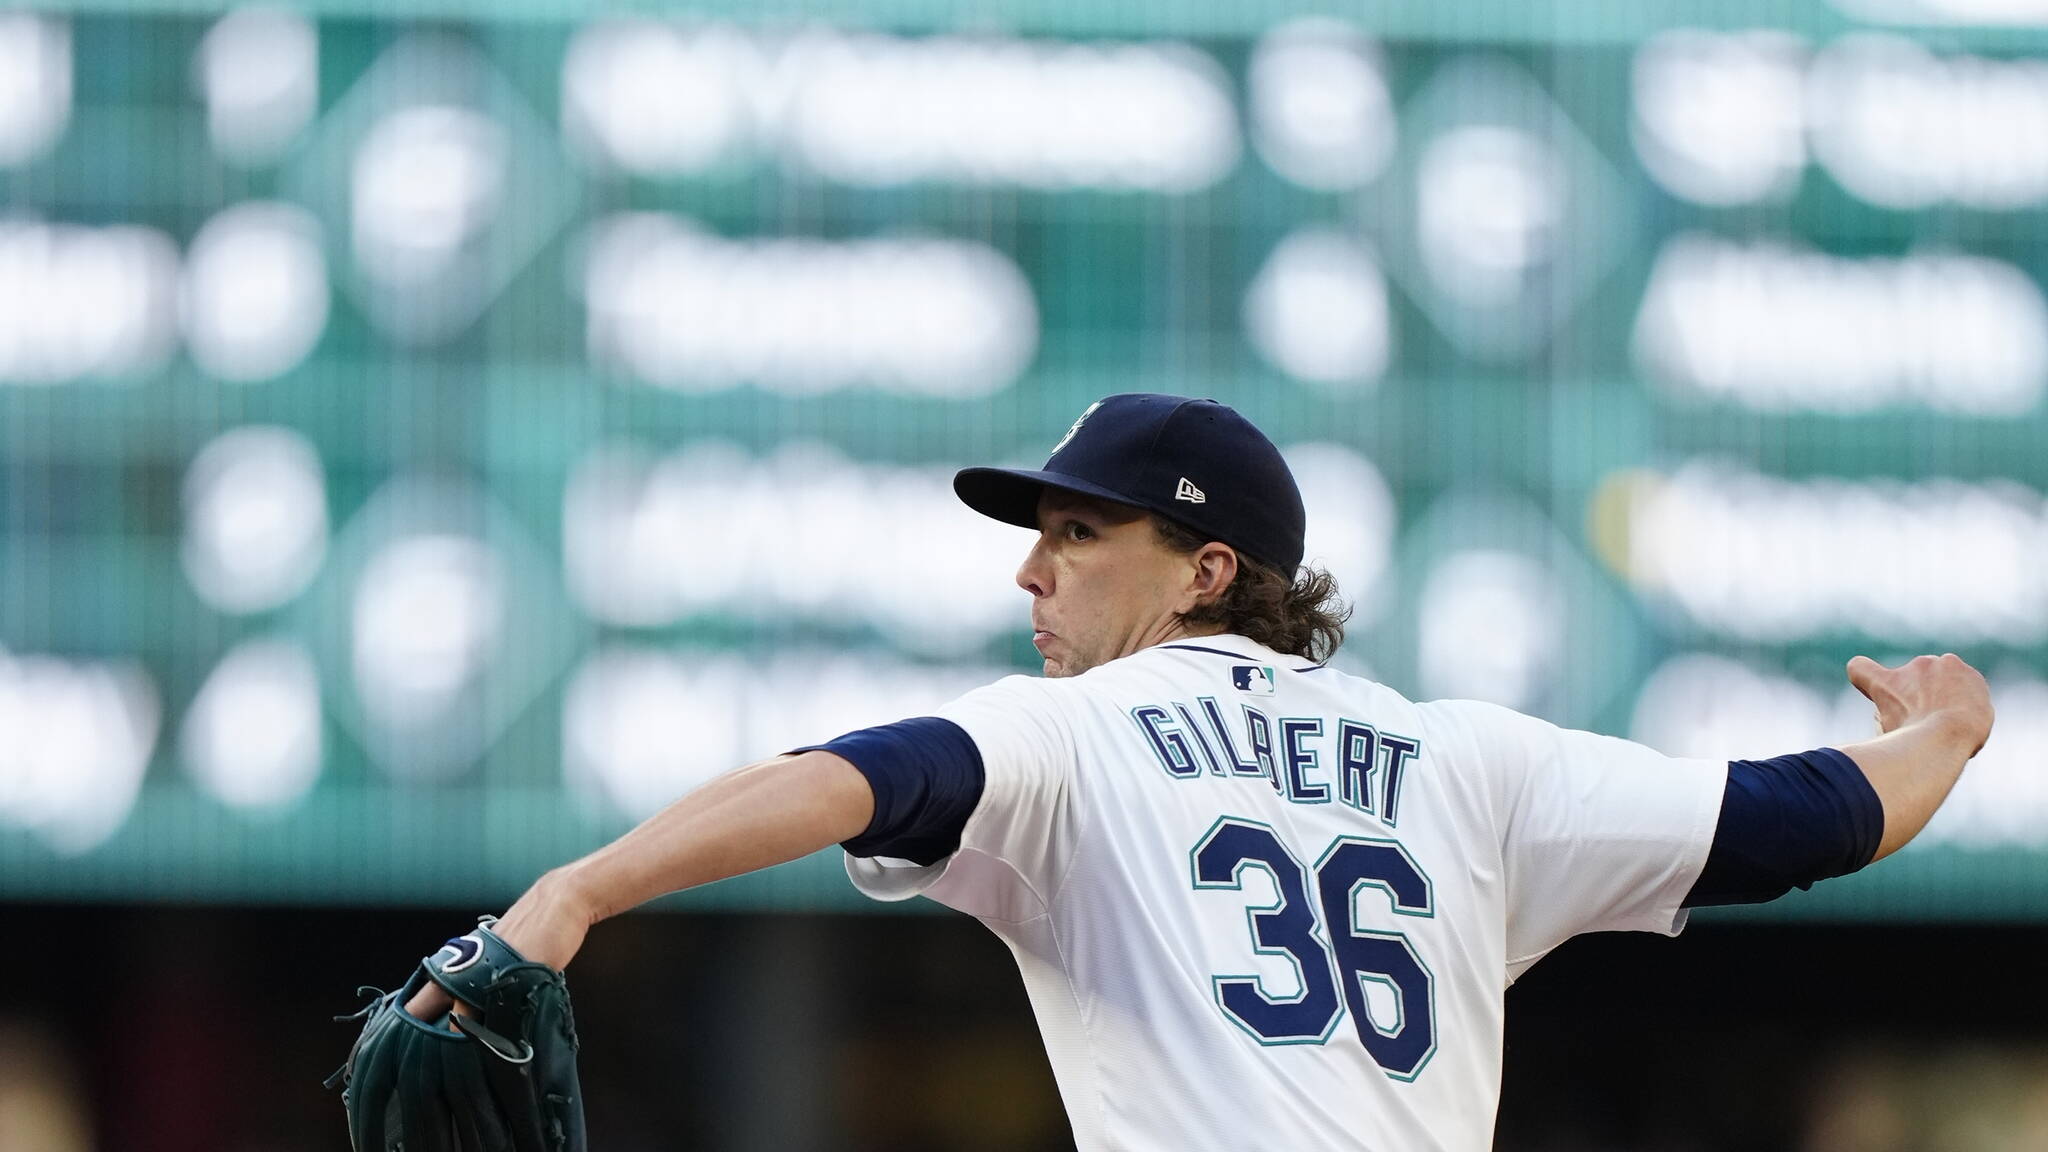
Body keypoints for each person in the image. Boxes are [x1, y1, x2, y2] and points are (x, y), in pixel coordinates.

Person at [406, 393, 1994, 1150]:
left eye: (1080, 534)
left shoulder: (1082, 736)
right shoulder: (1466, 761)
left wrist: (575, 892)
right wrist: (1947, 731)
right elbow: (1809, 821)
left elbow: (851, 780)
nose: (1035, 573)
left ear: (1205, 569)